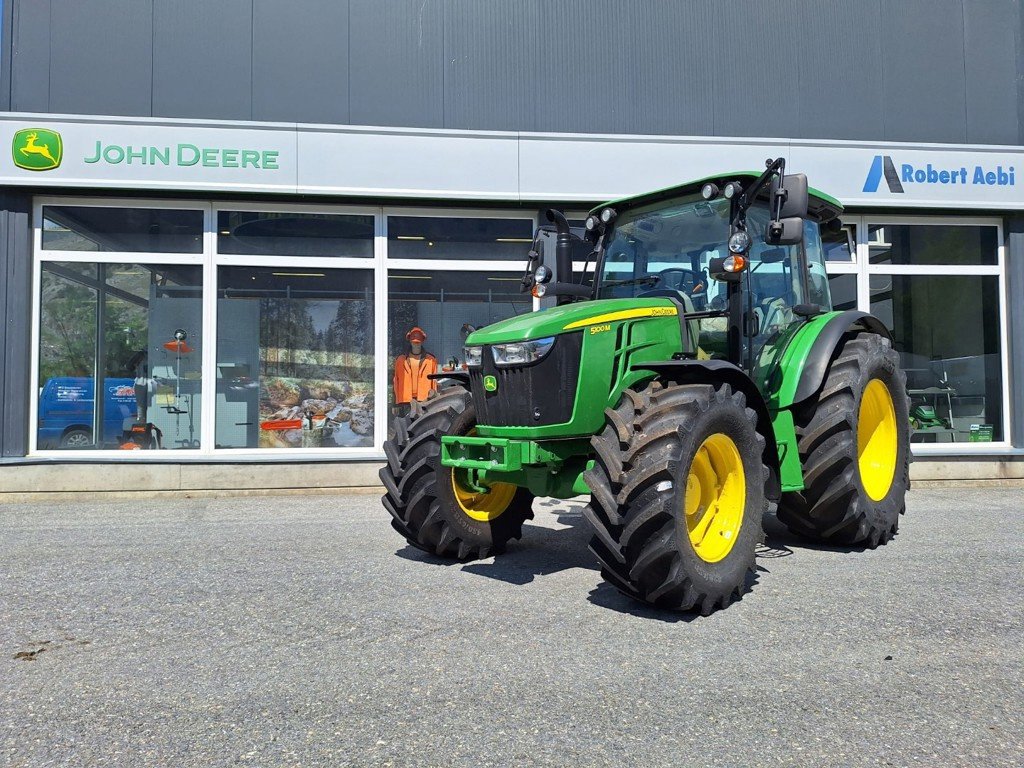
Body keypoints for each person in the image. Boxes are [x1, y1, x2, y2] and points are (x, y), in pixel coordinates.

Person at [393, 327, 438, 412]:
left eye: (418, 342)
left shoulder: (431, 360)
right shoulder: (400, 360)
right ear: (410, 341)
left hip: (425, 399)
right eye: (414, 342)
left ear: (422, 341)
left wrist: (434, 400)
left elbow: (434, 382)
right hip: (405, 400)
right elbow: (396, 381)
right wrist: (395, 403)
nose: (416, 344)